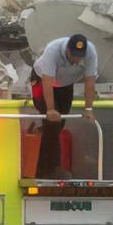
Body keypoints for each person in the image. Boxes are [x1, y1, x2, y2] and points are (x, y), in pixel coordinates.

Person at [30, 34, 98, 178]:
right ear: (67, 49)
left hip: (65, 84)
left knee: (59, 124)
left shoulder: (91, 52)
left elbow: (89, 82)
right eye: (73, 55)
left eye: (79, 57)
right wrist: (50, 109)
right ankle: (51, 168)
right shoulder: (53, 50)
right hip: (42, 80)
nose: (76, 60)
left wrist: (89, 109)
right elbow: (47, 82)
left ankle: (42, 166)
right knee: (52, 123)